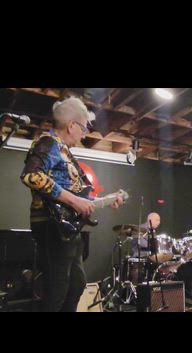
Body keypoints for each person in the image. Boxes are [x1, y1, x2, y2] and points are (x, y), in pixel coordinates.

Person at [20, 97, 123, 312]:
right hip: (52, 226)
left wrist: (107, 199)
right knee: (56, 290)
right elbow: (31, 175)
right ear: (71, 125)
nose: (84, 134)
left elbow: (78, 196)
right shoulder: (48, 142)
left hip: (66, 228)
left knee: (76, 285)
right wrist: (74, 200)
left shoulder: (63, 150)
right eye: (83, 128)